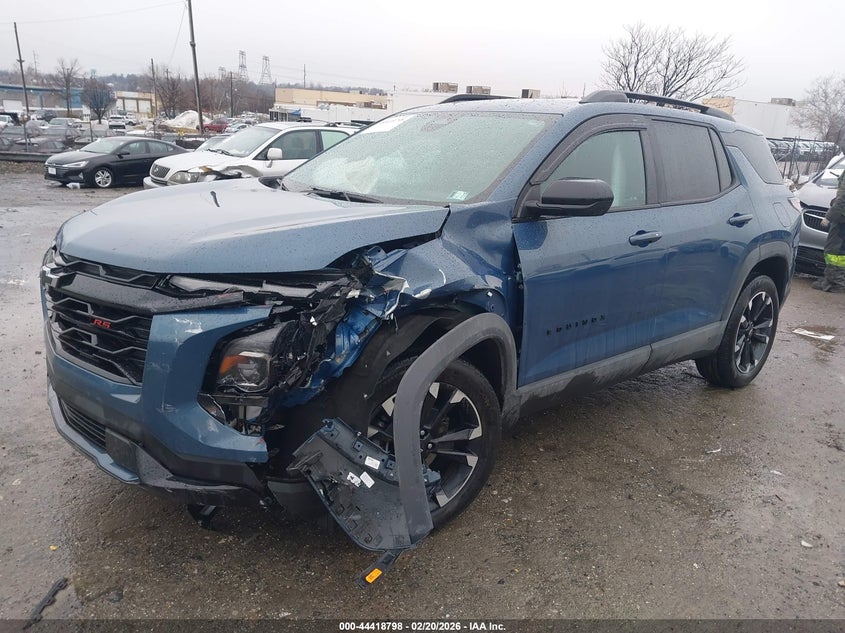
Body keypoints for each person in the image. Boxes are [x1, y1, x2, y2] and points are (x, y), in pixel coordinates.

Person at [813, 171, 845, 292]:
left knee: (834, 252)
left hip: (841, 219)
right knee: (840, 252)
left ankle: (835, 283)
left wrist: (829, 216)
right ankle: (831, 279)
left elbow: (843, 197)